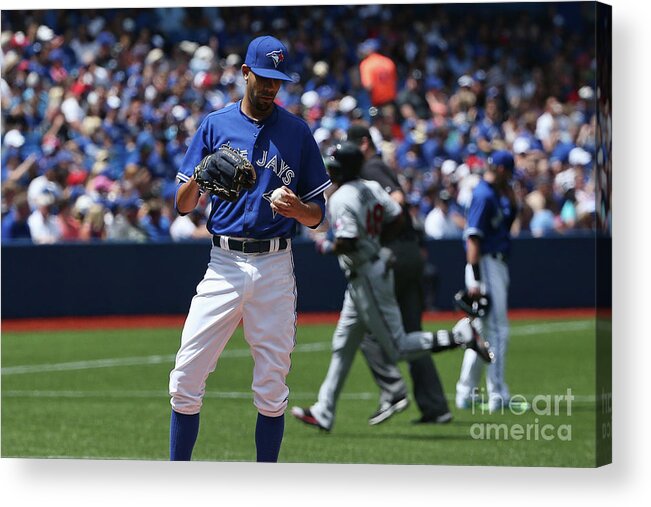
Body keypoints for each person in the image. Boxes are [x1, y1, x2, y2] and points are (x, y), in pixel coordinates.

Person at [168, 35, 331, 463]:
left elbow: (319, 216)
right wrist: (200, 179)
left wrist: (299, 209)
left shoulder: (296, 132)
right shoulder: (215, 124)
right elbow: (183, 207)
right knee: (185, 379)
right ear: (245, 74)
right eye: (263, 78)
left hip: (276, 264)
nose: (270, 88)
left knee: (272, 390)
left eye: (277, 81)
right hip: (223, 263)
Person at [291, 142, 493, 432]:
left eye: (333, 164)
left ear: (342, 168)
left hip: (366, 274)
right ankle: (324, 410)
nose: (329, 168)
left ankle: (460, 335)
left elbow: (347, 240)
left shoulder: (342, 197)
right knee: (343, 344)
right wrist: (378, 241)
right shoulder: (370, 186)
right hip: (369, 269)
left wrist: (325, 245)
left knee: (398, 346)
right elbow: (398, 217)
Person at [346, 124, 453, 426]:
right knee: (410, 331)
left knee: (366, 326)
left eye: (352, 146)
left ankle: (393, 391)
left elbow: (397, 201)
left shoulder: (371, 166)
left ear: (364, 144)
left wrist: (376, 236)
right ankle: (436, 406)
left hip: (394, 254)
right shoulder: (377, 165)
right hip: (408, 252)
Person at [455, 150, 517, 413]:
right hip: (486, 264)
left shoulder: (494, 194)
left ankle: (465, 392)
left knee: (481, 334)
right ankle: (498, 393)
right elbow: (473, 239)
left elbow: (509, 220)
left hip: (492, 263)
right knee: (498, 331)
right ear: (502, 170)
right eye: (510, 172)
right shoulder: (483, 194)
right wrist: (476, 280)